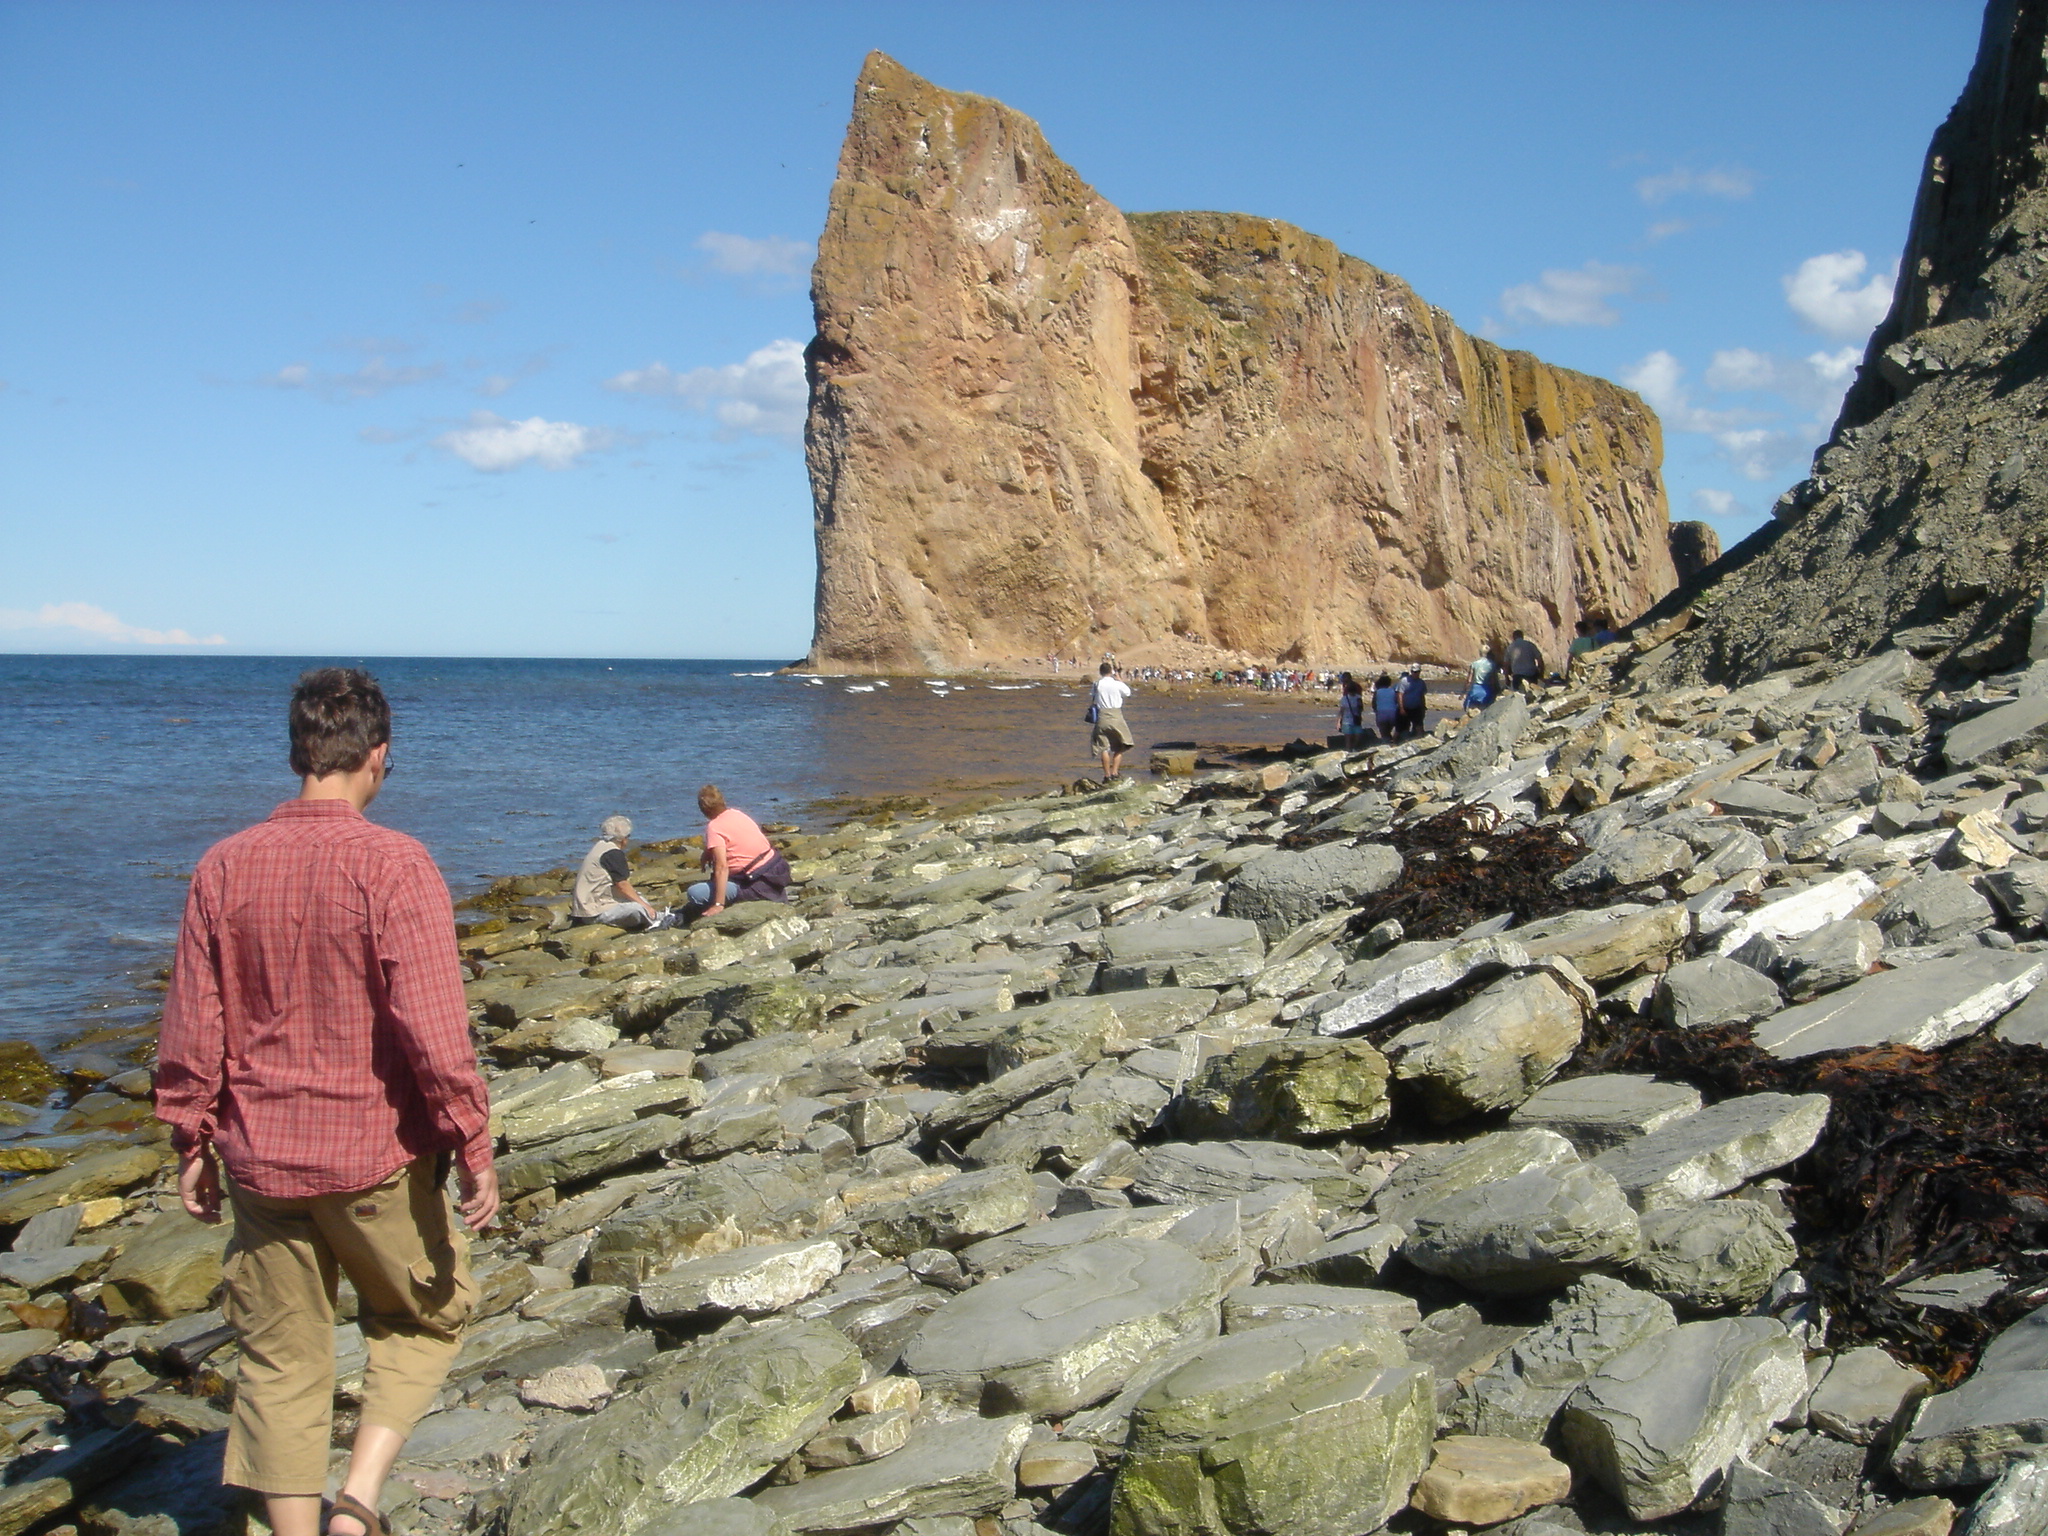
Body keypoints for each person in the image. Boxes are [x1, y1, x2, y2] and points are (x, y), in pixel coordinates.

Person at [156, 667, 495, 1536]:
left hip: (261, 1160)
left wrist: (190, 1140)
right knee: (424, 1319)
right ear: (378, 755)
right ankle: (356, 1505)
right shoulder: (394, 863)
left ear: (297, 753)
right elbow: (434, 1031)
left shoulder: (223, 865)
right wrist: (472, 1143)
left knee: (279, 1359)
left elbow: (193, 1024)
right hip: (372, 1156)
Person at [689, 784, 789, 913]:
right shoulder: (737, 814)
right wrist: (708, 851)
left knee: (695, 893)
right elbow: (740, 839)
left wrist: (719, 904)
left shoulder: (714, 827)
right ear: (722, 801)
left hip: (755, 883)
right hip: (776, 871)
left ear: (703, 809)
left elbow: (722, 867)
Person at [570, 815, 662, 930]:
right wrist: (646, 907)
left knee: (639, 900)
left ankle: (660, 917)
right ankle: (659, 921)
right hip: (594, 911)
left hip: (592, 903)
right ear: (623, 839)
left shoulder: (600, 846)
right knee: (638, 908)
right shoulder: (612, 853)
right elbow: (622, 885)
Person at [1089, 661, 1135, 780]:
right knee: (1121, 745)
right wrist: (1119, 679)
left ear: (1100, 672)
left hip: (1102, 717)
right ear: (1111, 672)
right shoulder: (1117, 684)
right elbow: (1128, 693)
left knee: (1104, 748)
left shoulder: (1097, 684)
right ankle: (1114, 772)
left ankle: (1107, 775)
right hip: (1116, 716)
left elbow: (1093, 697)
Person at [1464, 649, 1498, 714]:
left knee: (1471, 712)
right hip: (1487, 691)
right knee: (1485, 712)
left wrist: (1464, 692)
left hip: (1475, 690)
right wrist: (1497, 690)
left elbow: (1469, 680)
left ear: (1480, 653)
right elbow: (1494, 681)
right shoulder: (1492, 664)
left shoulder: (1474, 664)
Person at [1397, 666, 1428, 737]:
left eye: (1416, 672)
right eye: (1413, 672)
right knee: (1400, 728)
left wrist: (1423, 707)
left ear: (1419, 672)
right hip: (1405, 708)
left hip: (1416, 708)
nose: (1415, 673)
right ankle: (1394, 741)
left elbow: (1422, 695)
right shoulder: (1404, 681)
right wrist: (1401, 708)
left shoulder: (1421, 682)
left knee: (1419, 726)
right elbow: (1400, 694)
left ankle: (1420, 739)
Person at [1337, 673, 1366, 747]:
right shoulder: (1356, 694)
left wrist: (1339, 721)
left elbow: (1342, 710)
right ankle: (1353, 748)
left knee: (1349, 737)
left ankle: (1350, 749)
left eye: (1344, 678)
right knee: (1355, 735)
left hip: (1348, 718)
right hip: (1354, 717)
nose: (1342, 680)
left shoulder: (1346, 695)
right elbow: (1360, 708)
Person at [1372, 673, 1400, 741]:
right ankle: (1392, 741)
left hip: (1381, 714)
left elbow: (1374, 704)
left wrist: (1376, 711)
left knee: (1384, 733)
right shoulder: (1393, 691)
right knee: (1389, 730)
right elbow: (1397, 702)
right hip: (1393, 714)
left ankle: (1388, 741)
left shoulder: (1377, 692)